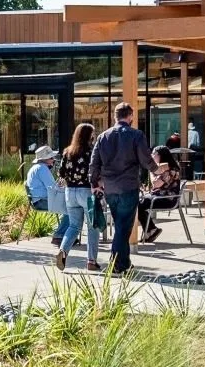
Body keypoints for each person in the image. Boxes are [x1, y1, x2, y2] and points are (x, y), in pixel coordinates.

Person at [91, 103, 157, 275]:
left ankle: (125, 262)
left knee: (121, 224)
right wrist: (157, 171)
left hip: (110, 188)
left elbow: (94, 163)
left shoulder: (103, 137)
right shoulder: (136, 135)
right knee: (123, 227)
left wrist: (94, 183)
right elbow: (145, 158)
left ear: (115, 116)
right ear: (130, 116)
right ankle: (115, 264)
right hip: (128, 186)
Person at [52, 122, 96, 270]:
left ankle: (63, 250)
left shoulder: (68, 152)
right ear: (89, 136)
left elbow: (61, 173)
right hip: (86, 192)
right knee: (92, 227)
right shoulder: (91, 152)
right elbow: (96, 171)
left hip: (70, 192)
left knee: (73, 225)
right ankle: (91, 261)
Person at [138, 146, 183, 243]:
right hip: (159, 196)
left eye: (154, 154)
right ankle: (150, 230)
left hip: (168, 199)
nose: (152, 156)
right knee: (138, 203)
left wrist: (151, 170)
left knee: (138, 205)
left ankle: (151, 230)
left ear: (160, 156)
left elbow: (156, 184)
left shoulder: (171, 170)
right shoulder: (162, 168)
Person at [25, 145, 57, 212]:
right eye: (51, 157)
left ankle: (65, 223)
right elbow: (52, 188)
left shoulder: (35, 167)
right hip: (42, 202)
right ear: (44, 159)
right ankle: (65, 223)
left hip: (37, 201)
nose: (53, 159)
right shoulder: (42, 168)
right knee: (70, 205)